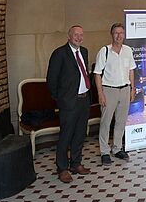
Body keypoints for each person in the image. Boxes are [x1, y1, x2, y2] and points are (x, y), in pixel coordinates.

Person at [46, 25, 92, 183]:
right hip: (68, 102)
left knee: (80, 134)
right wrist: (61, 99)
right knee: (66, 136)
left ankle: (76, 164)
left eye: (81, 35)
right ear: (69, 36)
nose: (79, 37)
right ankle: (62, 168)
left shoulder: (84, 51)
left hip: (84, 100)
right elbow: (51, 80)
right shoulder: (59, 53)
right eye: (76, 35)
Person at [93, 23, 136, 165]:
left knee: (121, 121)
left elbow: (131, 70)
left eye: (121, 33)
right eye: (116, 33)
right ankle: (104, 151)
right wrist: (100, 93)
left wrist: (132, 88)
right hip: (109, 90)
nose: (119, 36)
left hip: (125, 90)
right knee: (106, 122)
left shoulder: (128, 50)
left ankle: (117, 148)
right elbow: (97, 74)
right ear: (111, 34)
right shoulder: (104, 51)